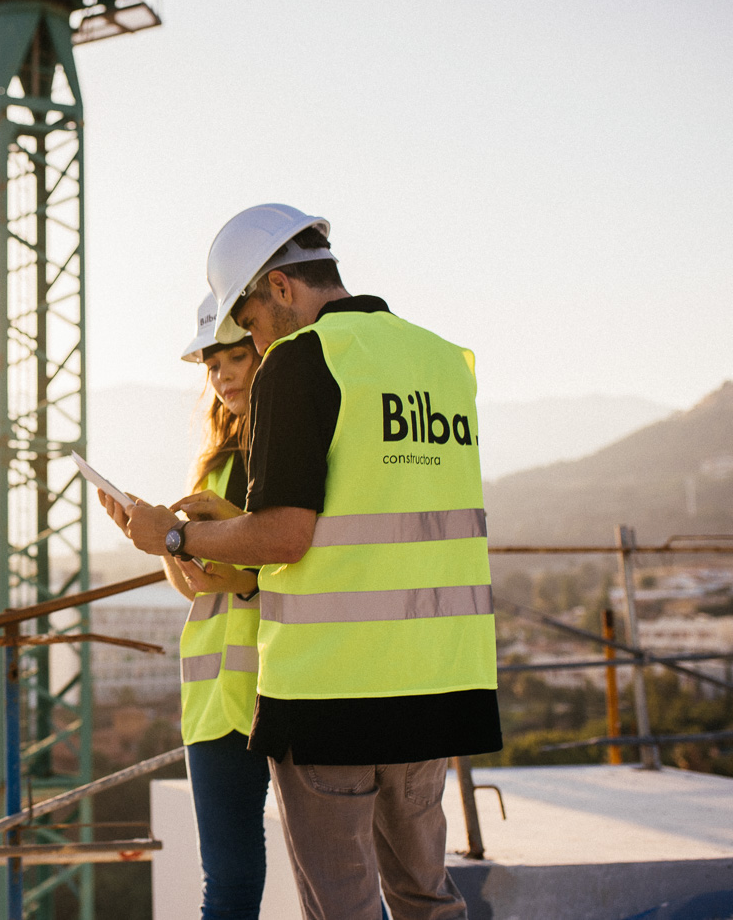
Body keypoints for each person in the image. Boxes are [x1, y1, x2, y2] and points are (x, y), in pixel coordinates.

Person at [113, 203, 501, 920]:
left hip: (333, 692)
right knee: (426, 899)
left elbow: (284, 536)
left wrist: (175, 536)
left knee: (343, 908)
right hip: (439, 680)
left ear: (282, 288)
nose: (255, 339)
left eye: (250, 321)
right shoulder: (446, 362)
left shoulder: (302, 358)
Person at [166, 293, 271, 920]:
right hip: (215, 702)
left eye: (237, 356)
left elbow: (288, 564)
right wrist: (164, 540)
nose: (223, 373)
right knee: (228, 886)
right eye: (213, 363)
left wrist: (231, 556)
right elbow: (200, 587)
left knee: (347, 875)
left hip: (288, 690)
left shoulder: (298, 454)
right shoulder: (217, 463)